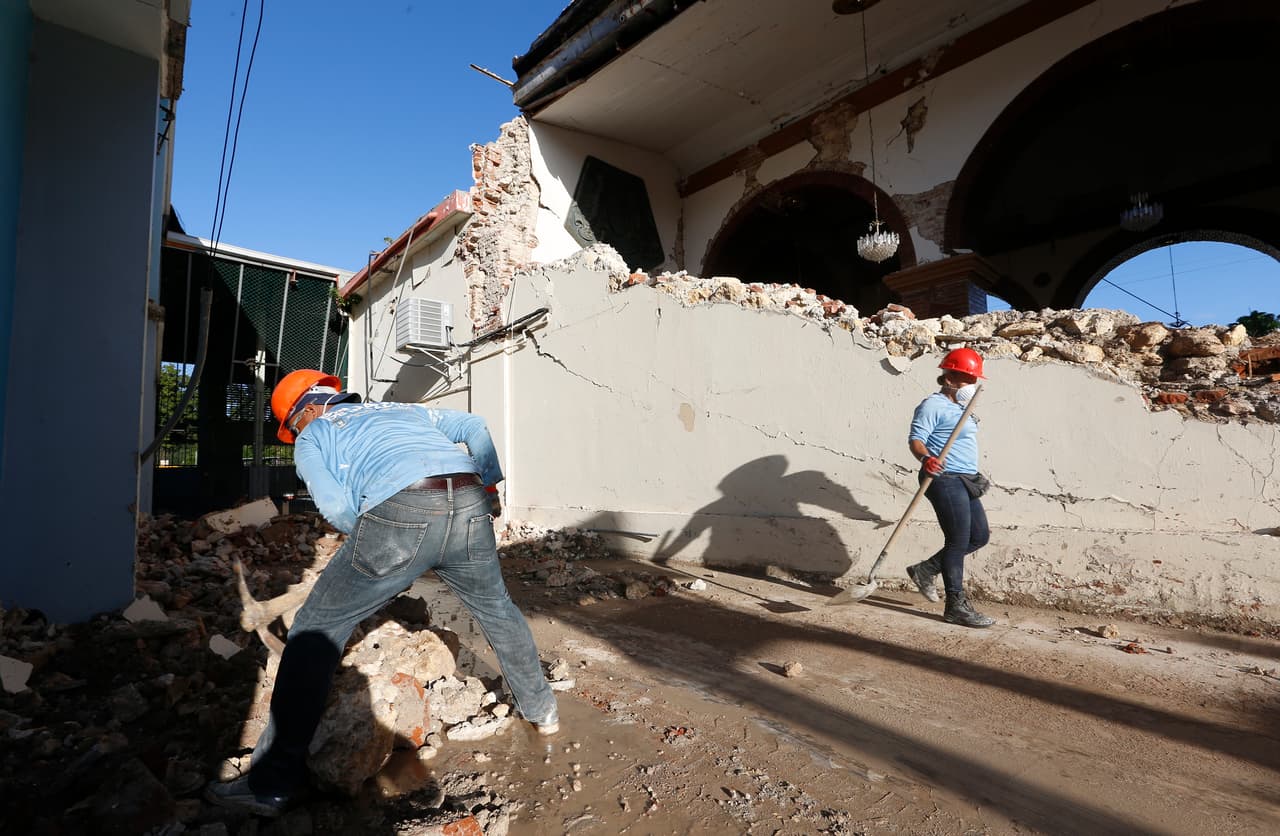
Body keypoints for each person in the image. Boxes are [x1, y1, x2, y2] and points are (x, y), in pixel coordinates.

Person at [206, 370, 558, 817]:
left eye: (292, 426)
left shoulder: (315, 434)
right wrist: (488, 484)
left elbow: (334, 506)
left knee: (316, 628)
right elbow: (472, 426)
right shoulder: (402, 409)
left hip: (402, 507)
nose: (296, 435)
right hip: (468, 498)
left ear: (307, 410)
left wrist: (381, 544)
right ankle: (543, 714)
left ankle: (270, 786)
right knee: (497, 609)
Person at [903, 348, 995, 628]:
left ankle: (925, 569)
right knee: (957, 540)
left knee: (979, 536)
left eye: (973, 379)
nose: (972, 384)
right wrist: (926, 458)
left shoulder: (962, 407)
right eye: (967, 378)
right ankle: (955, 605)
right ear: (950, 377)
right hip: (943, 478)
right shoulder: (932, 405)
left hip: (966, 479)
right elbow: (916, 440)